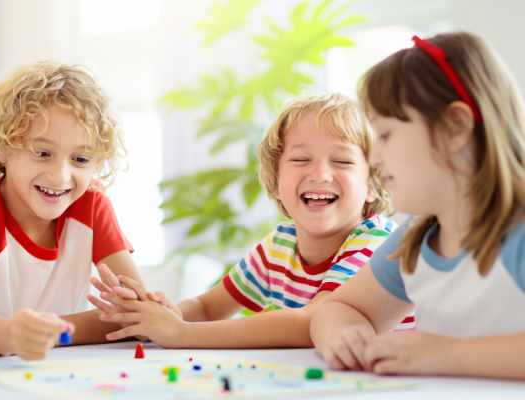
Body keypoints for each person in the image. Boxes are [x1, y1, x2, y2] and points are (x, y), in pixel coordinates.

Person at [89, 94, 414, 348]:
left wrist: (180, 333)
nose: (320, 174)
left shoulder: (375, 242)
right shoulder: (280, 245)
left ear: (373, 184)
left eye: (342, 161)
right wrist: (164, 316)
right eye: (301, 159)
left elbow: (310, 324)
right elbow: (207, 307)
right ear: (274, 180)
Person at [310, 32, 525, 380]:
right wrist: (344, 336)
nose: (374, 158)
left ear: (455, 126)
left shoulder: (518, 233)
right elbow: (340, 307)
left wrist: (448, 355)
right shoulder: (418, 238)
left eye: (385, 135)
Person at [0, 61, 144, 360]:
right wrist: (13, 335)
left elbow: (136, 315)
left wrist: (51, 334)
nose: (60, 176)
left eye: (80, 159)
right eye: (42, 153)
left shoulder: (91, 207)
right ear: (4, 147)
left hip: (47, 368)